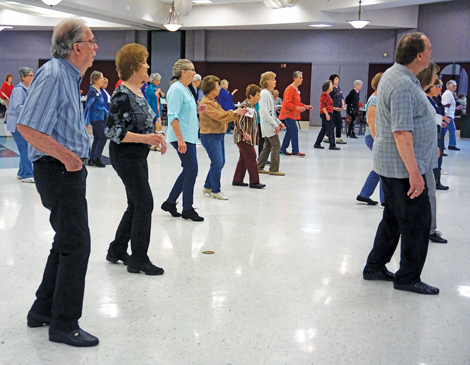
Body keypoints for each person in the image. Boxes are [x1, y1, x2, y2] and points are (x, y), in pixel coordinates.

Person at [16, 18, 99, 347]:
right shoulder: (53, 75)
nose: (95, 48)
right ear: (76, 47)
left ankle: (42, 310)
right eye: (92, 41)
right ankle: (64, 324)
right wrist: (67, 157)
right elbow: (28, 127)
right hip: (58, 171)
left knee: (65, 242)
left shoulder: (68, 76)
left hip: (66, 170)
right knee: (78, 246)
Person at [363, 32, 439, 295]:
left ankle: (374, 267)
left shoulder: (398, 75)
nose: (431, 54)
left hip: (394, 164)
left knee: (394, 219)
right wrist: (415, 174)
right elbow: (401, 132)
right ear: (419, 56)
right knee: (418, 222)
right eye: (429, 49)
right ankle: (407, 277)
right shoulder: (404, 84)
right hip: (402, 169)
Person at [105, 43, 167, 276]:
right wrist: (146, 138)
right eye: (144, 63)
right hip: (125, 156)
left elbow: (149, 121)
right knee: (145, 204)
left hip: (138, 155)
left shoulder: (139, 91)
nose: (148, 66)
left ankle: (117, 250)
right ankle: (138, 259)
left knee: (135, 204)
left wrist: (156, 135)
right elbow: (113, 131)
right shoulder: (122, 94)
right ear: (133, 67)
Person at [161, 59, 206, 221]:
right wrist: (180, 139)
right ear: (183, 72)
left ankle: (170, 202)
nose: (195, 73)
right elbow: (172, 115)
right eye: (192, 70)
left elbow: (185, 110)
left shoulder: (186, 89)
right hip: (182, 136)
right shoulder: (176, 90)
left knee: (188, 170)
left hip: (189, 136)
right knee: (192, 170)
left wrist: (197, 109)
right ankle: (187, 208)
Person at [200, 75, 245, 200]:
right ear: (211, 88)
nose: (219, 88)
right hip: (210, 136)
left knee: (219, 162)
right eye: (217, 86)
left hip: (218, 135)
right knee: (217, 162)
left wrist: (236, 113)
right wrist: (235, 113)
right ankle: (215, 190)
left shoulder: (213, 100)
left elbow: (223, 114)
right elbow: (220, 116)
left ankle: (208, 186)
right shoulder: (206, 102)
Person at [417, 64, 449, 245]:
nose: (440, 87)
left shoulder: (430, 101)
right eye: (437, 82)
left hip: (429, 149)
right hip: (421, 152)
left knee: (429, 191)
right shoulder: (421, 98)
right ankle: (428, 228)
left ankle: (428, 228)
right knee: (427, 192)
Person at [356, 73, 384, 206]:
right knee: (383, 167)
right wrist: (377, 139)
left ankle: (364, 194)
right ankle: (384, 199)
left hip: (378, 136)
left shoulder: (380, 98)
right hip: (373, 136)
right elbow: (371, 122)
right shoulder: (374, 100)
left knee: (381, 167)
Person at [233, 84, 266, 189]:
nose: (259, 97)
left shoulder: (252, 106)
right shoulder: (245, 106)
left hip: (247, 137)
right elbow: (238, 121)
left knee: (243, 158)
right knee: (252, 157)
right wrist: (244, 133)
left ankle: (237, 180)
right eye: (257, 95)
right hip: (242, 138)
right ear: (251, 96)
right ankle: (254, 181)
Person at [5, 67, 35, 183]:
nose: (32, 77)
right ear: (23, 77)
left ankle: (21, 172)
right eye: (30, 75)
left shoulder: (28, 89)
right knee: (25, 149)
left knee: (25, 148)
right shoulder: (18, 90)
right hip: (18, 124)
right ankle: (27, 174)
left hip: (23, 124)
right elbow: (18, 107)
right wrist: (32, 110)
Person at [257, 71, 286, 176]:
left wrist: (279, 122)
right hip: (268, 125)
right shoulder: (264, 94)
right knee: (276, 144)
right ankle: (274, 169)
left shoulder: (268, 93)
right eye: (273, 79)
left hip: (270, 123)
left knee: (268, 145)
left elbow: (272, 112)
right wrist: (275, 124)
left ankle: (259, 166)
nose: (275, 81)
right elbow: (264, 113)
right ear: (267, 81)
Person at [279, 71, 313, 157]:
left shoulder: (296, 89)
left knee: (289, 131)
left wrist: (305, 106)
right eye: (300, 77)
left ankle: (283, 149)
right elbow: (286, 103)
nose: (302, 79)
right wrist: (297, 108)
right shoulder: (289, 89)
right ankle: (295, 150)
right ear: (295, 79)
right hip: (287, 114)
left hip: (291, 114)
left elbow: (297, 102)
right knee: (294, 130)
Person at [427, 79, 449, 191]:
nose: (440, 89)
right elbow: (429, 116)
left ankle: (436, 180)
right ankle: (434, 181)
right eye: (437, 86)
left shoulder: (435, 100)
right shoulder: (427, 100)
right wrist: (441, 118)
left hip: (438, 130)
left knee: (438, 159)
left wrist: (441, 121)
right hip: (432, 133)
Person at [84, 70, 108, 167]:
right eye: (101, 78)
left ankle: (92, 158)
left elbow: (101, 106)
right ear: (96, 79)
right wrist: (86, 120)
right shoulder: (92, 91)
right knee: (103, 137)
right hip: (95, 118)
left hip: (100, 117)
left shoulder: (99, 90)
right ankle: (97, 158)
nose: (103, 80)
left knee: (97, 137)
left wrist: (107, 113)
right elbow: (88, 106)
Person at [313, 80, 340, 150]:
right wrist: (327, 115)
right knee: (331, 128)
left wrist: (334, 108)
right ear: (327, 87)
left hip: (327, 113)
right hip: (325, 113)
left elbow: (328, 105)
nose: (332, 87)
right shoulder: (324, 94)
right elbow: (323, 106)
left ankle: (317, 143)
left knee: (324, 129)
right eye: (331, 85)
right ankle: (332, 145)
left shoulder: (327, 94)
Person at [327, 74, 347, 145]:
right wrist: (333, 107)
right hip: (333, 109)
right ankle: (338, 138)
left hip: (338, 108)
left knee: (334, 123)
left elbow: (342, 97)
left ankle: (327, 136)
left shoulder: (339, 88)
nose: (337, 80)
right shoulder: (331, 89)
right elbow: (328, 99)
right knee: (339, 122)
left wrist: (343, 105)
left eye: (337, 79)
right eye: (335, 79)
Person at [146, 72, 164, 147]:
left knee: (158, 127)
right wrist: (158, 91)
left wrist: (160, 91)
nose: (159, 82)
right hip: (152, 111)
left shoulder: (155, 88)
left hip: (158, 110)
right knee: (157, 128)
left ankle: (154, 145)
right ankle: (156, 145)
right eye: (158, 80)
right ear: (153, 80)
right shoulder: (149, 88)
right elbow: (154, 96)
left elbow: (163, 96)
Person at [442, 80, 460, 151]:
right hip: (448, 115)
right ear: (449, 87)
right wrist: (445, 116)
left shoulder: (449, 94)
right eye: (454, 86)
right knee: (452, 129)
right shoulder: (448, 94)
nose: (455, 87)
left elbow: (449, 105)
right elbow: (445, 105)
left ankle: (440, 143)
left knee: (444, 130)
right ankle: (452, 144)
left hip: (449, 114)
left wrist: (456, 108)